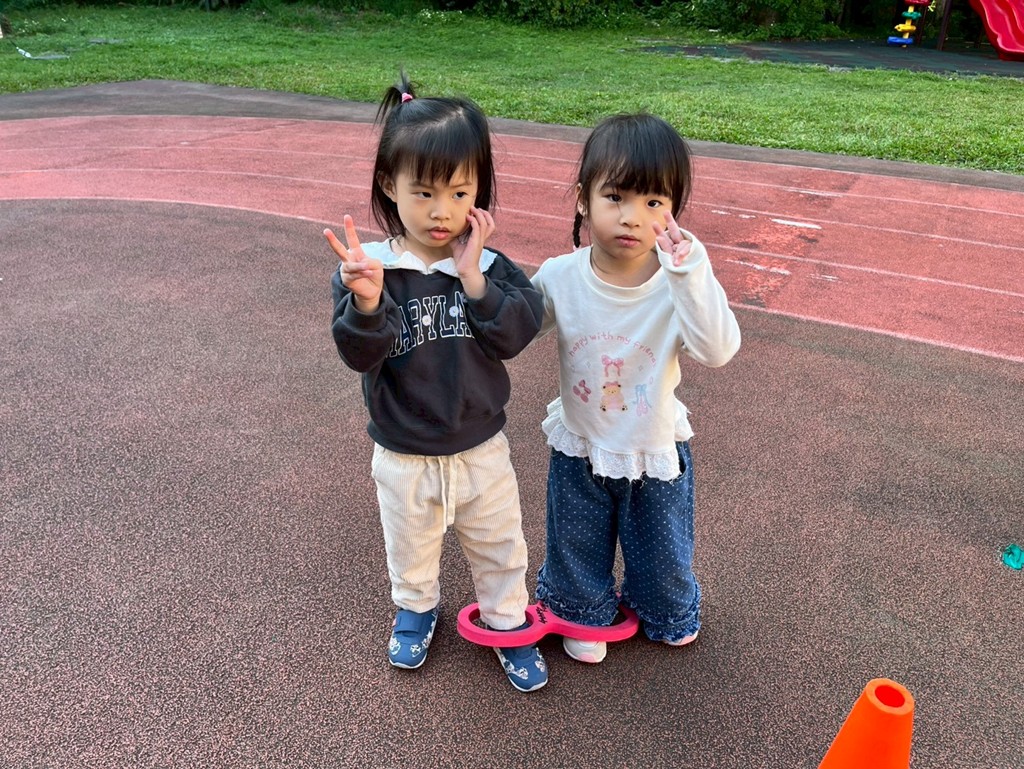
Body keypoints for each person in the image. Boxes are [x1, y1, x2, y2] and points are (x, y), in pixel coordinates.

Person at [326, 74, 547, 692]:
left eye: (459, 192)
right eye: (423, 193)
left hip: (481, 448)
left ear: (479, 192)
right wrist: (367, 302)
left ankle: (507, 620)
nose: (442, 211)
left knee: (500, 544)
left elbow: (516, 333)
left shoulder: (490, 267)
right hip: (404, 452)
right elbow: (358, 354)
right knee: (410, 546)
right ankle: (416, 608)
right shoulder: (372, 270)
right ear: (388, 186)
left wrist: (474, 279)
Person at [531, 113, 741, 664]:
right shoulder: (560, 275)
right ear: (583, 199)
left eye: (653, 202)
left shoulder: (677, 283)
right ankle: (580, 611)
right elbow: (515, 329)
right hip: (581, 444)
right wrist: (479, 291)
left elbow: (718, 350)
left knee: (663, 552)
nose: (632, 217)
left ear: (673, 210)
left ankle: (666, 611)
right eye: (615, 197)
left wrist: (691, 271)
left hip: (653, 449)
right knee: (576, 543)